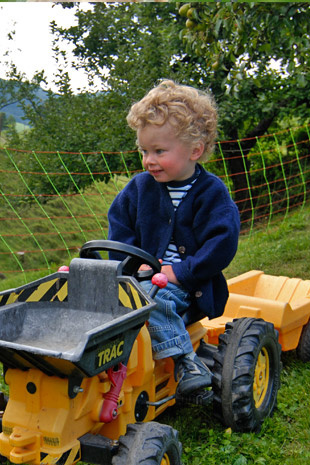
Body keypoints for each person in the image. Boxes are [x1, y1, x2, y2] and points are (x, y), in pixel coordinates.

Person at [107, 79, 241, 397]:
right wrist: (131, 266)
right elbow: (120, 230)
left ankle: (186, 361)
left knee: (149, 301)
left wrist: (180, 272)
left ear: (195, 150)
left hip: (188, 287)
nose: (148, 160)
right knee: (100, 295)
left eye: (159, 151)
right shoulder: (138, 189)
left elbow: (221, 244)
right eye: (144, 151)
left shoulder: (211, 194)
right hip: (141, 279)